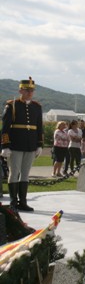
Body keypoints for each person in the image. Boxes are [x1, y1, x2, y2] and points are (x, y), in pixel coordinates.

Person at [1, 77, 43, 211]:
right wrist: (5, 146)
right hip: (15, 145)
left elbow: (39, 127)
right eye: (27, 90)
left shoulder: (37, 107)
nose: (30, 92)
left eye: (32, 90)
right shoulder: (12, 105)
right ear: (20, 90)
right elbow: (5, 127)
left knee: (25, 174)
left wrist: (39, 144)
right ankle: (13, 202)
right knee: (14, 173)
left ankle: (23, 202)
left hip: (30, 146)